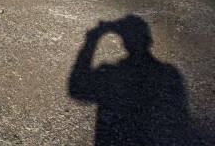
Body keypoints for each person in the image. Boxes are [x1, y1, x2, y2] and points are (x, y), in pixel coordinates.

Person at [68, 15, 196, 145]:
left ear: (124, 43)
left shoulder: (110, 75)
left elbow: (76, 89)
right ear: (149, 41)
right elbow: (180, 123)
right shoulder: (168, 74)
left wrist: (92, 39)